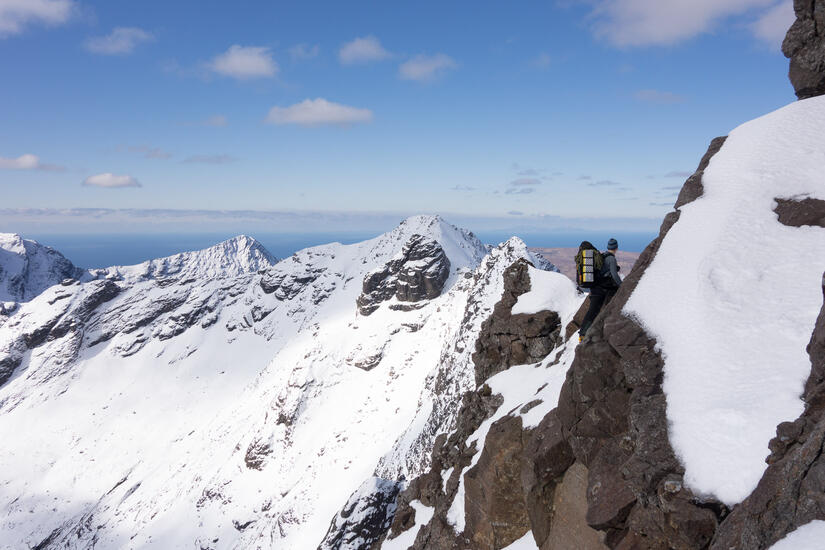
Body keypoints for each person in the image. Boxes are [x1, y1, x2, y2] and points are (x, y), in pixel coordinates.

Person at [579, 238, 622, 340]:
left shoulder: (603, 256)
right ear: (616, 248)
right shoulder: (611, 259)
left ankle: (583, 332)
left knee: (593, 311)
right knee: (592, 311)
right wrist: (622, 286)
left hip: (596, 287)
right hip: (600, 289)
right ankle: (583, 334)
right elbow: (614, 275)